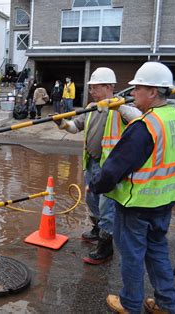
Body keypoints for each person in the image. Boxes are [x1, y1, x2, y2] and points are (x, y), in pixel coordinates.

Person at [89, 62, 175, 314]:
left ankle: (130, 304)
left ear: (153, 92)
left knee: (132, 256)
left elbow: (113, 169)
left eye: (138, 89)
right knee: (157, 251)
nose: (133, 93)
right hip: (166, 201)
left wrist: (95, 186)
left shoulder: (144, 127)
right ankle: (166, 305)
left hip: (137, 204)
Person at [54, 67, 141, 265]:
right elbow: (75, 127)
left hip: (110, 167)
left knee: (107, 204)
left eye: (95, 87)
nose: (92, 91)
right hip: (92, 163)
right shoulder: (92, 107)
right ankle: (97, 228)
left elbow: (139, 119)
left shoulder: (122, 107)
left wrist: (119, 107)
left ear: (109, 87)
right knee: (91, 199)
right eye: (91, 87)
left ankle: (105, 247)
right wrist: (61, 123)